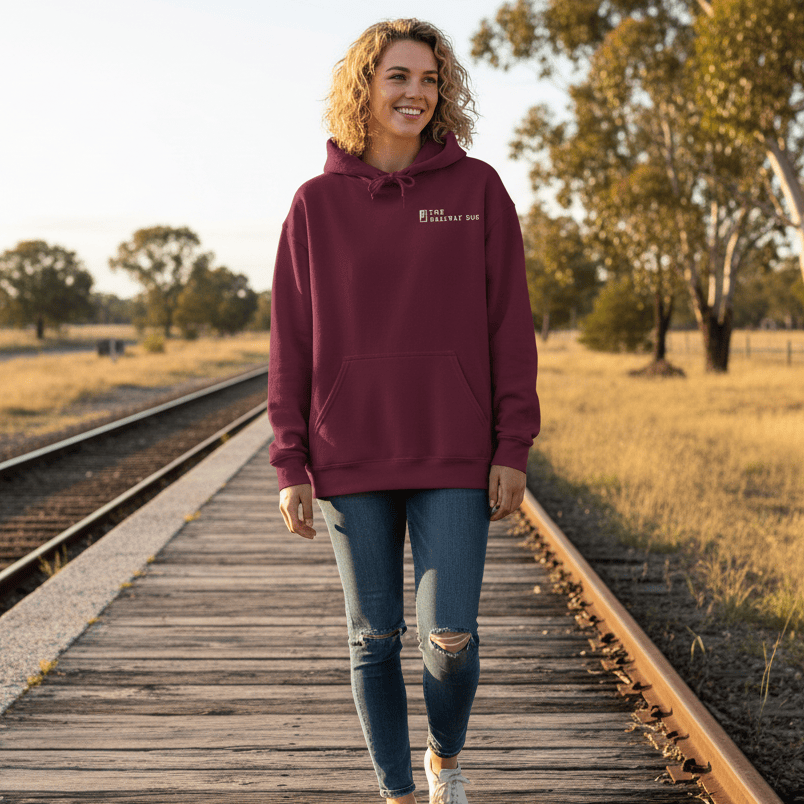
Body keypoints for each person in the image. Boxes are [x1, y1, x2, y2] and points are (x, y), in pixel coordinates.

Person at [267, 17, 540, 803]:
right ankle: (398, 793)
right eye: (399, 77)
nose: (416, 93)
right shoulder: (315, 204)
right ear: (365, 86)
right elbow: (293, 339)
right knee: (373, 639)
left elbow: (508, 328)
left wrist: (511, 444)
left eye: (429, 80)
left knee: (449, 635)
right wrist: (291, 460)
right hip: (349, 452)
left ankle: (445, 757)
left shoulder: (477, 189)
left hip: (454, 449)